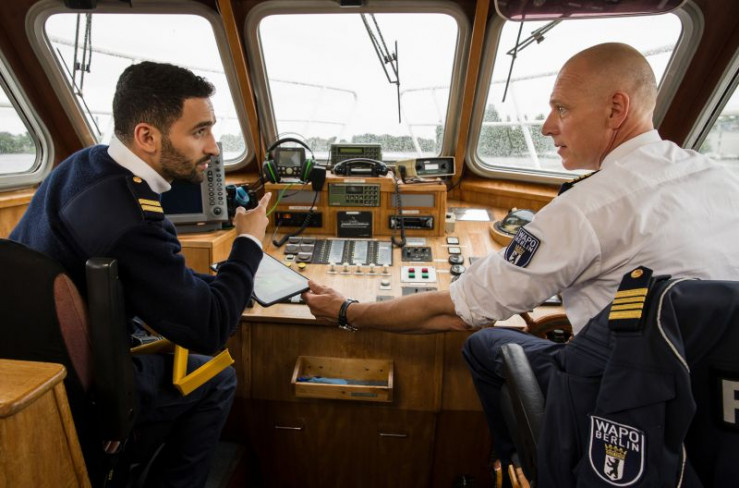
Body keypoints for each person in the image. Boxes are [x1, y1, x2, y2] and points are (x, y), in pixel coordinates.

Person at [302, 42, 739, 476]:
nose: (548, 127)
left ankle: (519, 468)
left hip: (616, 400)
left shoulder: (587, 207)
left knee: (483, 344)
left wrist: (347, 310)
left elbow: (457, 312)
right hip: (711, 412)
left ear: (616, 109)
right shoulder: (718, 178)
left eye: (562, 109)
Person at [10, 61, 271, 487]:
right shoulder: (133, 220)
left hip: (33, 356)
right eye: (199, 132)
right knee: (218, 375)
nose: (213, 148)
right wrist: (249, 242)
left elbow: (150, 278)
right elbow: (210, 328)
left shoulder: (85, 164)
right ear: (147, 137)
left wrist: (218, 284)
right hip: (84, 387)